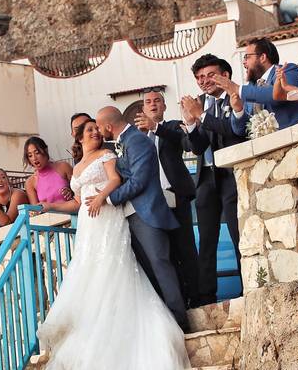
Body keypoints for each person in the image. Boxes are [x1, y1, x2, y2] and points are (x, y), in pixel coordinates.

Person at [36, 119, 203, 370]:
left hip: (111, 215)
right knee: (91, 273)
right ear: (78, 139)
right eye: (89, 132)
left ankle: (170, 314)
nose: (95, 134)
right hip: (89, 224)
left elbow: (115, 180)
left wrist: (102, 198)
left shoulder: (108, 154)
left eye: (97, 130)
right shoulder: (78, 166)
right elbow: (78, 201)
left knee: (122, 269)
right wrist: (54, 207)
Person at [95, 106, 190, 332]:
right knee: (147, 271)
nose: (98, 132)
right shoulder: (121, 142)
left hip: (146, 213)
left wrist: (108, 198)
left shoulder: (136, 141)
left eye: (99, 126)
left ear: (109, 126)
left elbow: (139, 181)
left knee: (161, 265)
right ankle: (164, 322)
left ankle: (180, 322)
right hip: (130, 216)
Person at [180, 54, 247, 305]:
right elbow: (195, 146)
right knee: (207, 240)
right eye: (199, 77)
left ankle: (247, 287)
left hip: (230, 175)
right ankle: (206, 296)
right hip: (206, 178)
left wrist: (203, 116)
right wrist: (190, 124)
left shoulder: (236, 97)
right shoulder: (198, 103)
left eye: (209, 75)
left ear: (224, 75)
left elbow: (234, 132)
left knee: (238, 233)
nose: (204, 81)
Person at [134, 89, 203, 308]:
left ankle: (199, 300)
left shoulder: (171, 127)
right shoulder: (136, 138)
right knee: (164, 255)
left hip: (176, 198)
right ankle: (177, 302)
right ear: (143, 108)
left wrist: (156, 128)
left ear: (163, 106)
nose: (153, 104)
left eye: (157, 101)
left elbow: (184, 143)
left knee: (186, 250)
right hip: (152, 205)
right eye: (148, 102)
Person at [217, 37, 298, 135]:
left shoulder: (286, 71)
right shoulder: (252, 88)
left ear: (262, 57)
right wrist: (238, 110)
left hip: (297, 139)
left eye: (247, 57)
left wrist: (237, 89)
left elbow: (278, 95)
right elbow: (240, 131)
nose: (244, 62)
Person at [24, 136, 73, 208]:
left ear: (46, 150)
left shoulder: (64, 167)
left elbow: (80, 191)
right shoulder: (30, 182)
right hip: (47, 218)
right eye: (30, 155)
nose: (34, 158)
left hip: (72, 215)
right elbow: (36, 211)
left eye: (37, 153)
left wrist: (71, 192)